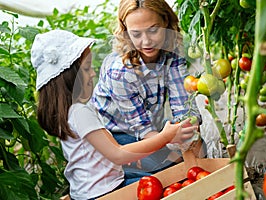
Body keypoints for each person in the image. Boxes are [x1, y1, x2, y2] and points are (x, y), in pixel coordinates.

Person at [30, 29, 197, 200]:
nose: (93, 73)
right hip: (103, 193)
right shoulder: (79, 112)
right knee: (165, 187)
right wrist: (165, 137)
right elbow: (118, 154)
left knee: (156, 180)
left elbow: (107, 149)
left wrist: (132, 155)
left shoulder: (69, 111)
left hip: (94, 189)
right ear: (68, 77)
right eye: (87, 68)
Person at [90, 0, 203, 173]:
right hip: (120, 136)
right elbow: (142, 128)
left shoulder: (171, 53)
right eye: (136, 34)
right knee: (167, 170)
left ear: (165, 22)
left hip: (152, 124)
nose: (146, 41)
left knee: (196, 155)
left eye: (153, 30)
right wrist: (172, 143)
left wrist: (190, 136)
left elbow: (183, 104)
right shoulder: (120, 72)